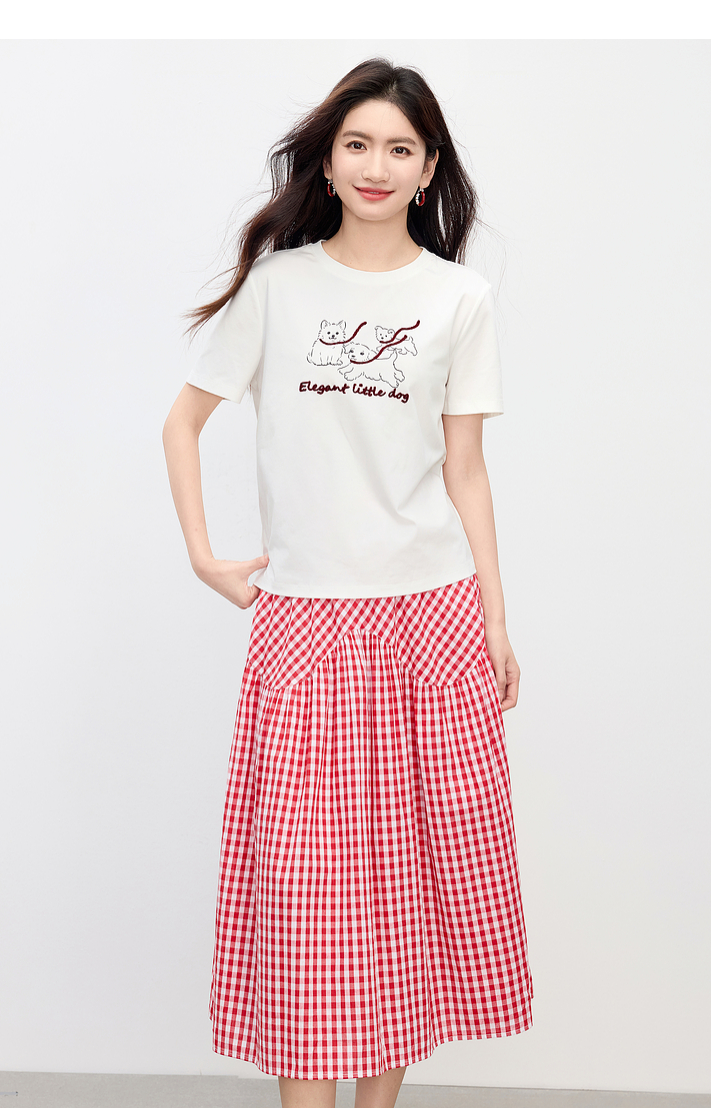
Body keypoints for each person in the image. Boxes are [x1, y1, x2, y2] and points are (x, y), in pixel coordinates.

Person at [163, 57, 533, 1108]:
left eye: (400, 148)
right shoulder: (278, 287)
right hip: (306, 622)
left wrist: (496, 619)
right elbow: (183, 422)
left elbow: (466, 471)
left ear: (429, 169)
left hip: (431, 619)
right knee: (307, 896)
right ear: (327, 161)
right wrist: (203, 552)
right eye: (358, 143)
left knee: (410, 889)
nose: (377, 164)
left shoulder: (459, 297)